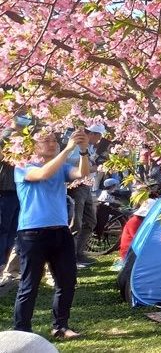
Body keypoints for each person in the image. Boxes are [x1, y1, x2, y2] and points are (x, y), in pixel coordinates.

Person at [13, 130, 90, 338]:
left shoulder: (62, 167)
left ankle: (60, 326)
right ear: (34, 146)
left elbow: (82, 173)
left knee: (67, 281)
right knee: (29, 284)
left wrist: (83, 150)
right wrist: (67, 149)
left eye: (54, 140)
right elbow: (44, 174)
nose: (51, 143)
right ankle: (21, 330)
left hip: (60, 231)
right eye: (45, 141)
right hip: (32, 233)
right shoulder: (22, 167)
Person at [66, 123, 104, 267]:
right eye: (99, 136)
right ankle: (69, 256)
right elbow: (68, 162)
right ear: (93, 134)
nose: (99, 139)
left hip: (87, 185)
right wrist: (90, 166)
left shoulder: (91, 147)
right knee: (75, 222)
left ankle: (79, 253)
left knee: (90, 221)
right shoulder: (76, 145)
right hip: (76, 185)